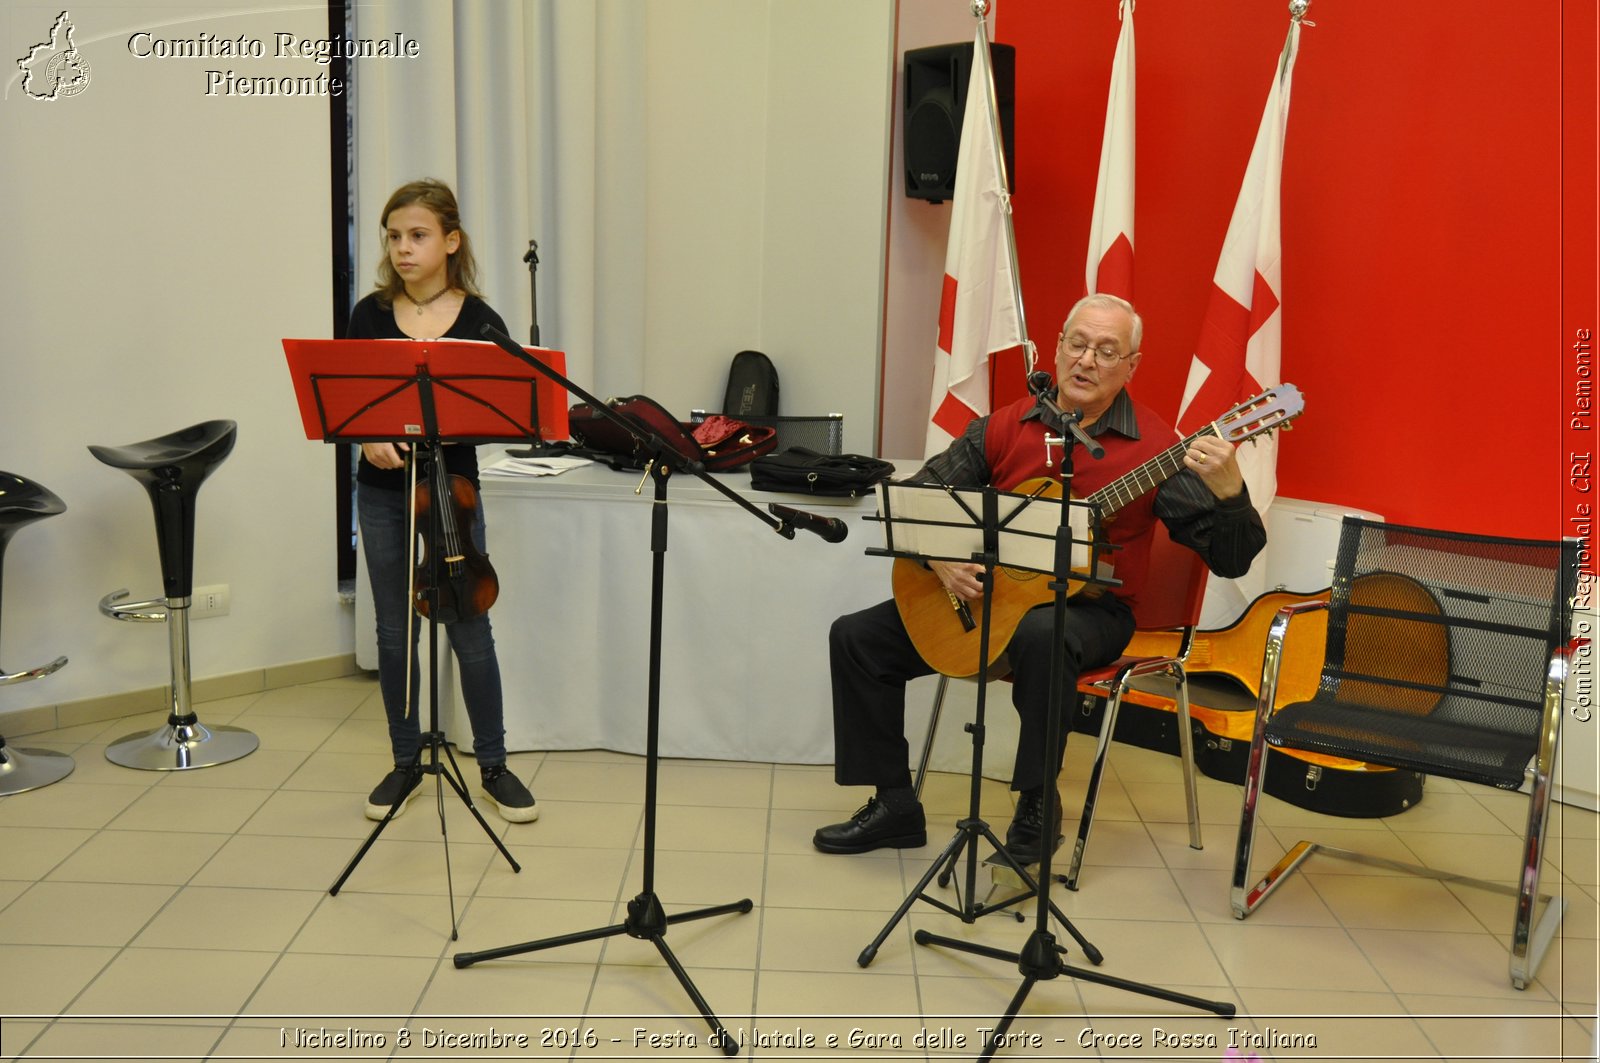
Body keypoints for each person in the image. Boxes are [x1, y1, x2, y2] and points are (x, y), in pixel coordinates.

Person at [815, 293, 1266, 863]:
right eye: (1077, 344)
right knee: (856, 638)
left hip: (1092, 612)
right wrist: (941, 558)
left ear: (1132, 366)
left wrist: (1230, 494)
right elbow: (916, 503)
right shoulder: (1005, 426)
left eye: (1107, 351)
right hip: (990, 599)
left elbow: (1234, 559)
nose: (1086, 360)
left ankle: (1035, 808)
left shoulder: (1159, 451)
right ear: (1057, 348)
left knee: (1040, 633)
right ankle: (895, 805)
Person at [348, 178, 537, 824]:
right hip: (381, 496)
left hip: (451, 494)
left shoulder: (483, 322)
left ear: (450, 242)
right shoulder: (369, 317)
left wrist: (458, 420)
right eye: (395, 236)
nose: (403, 248)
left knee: (468, 624)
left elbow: (507, 414)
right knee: (394, 634)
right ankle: (406, 762)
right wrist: (368, 434)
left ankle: (493, 764)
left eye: (418, 235)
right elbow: (347, 406)